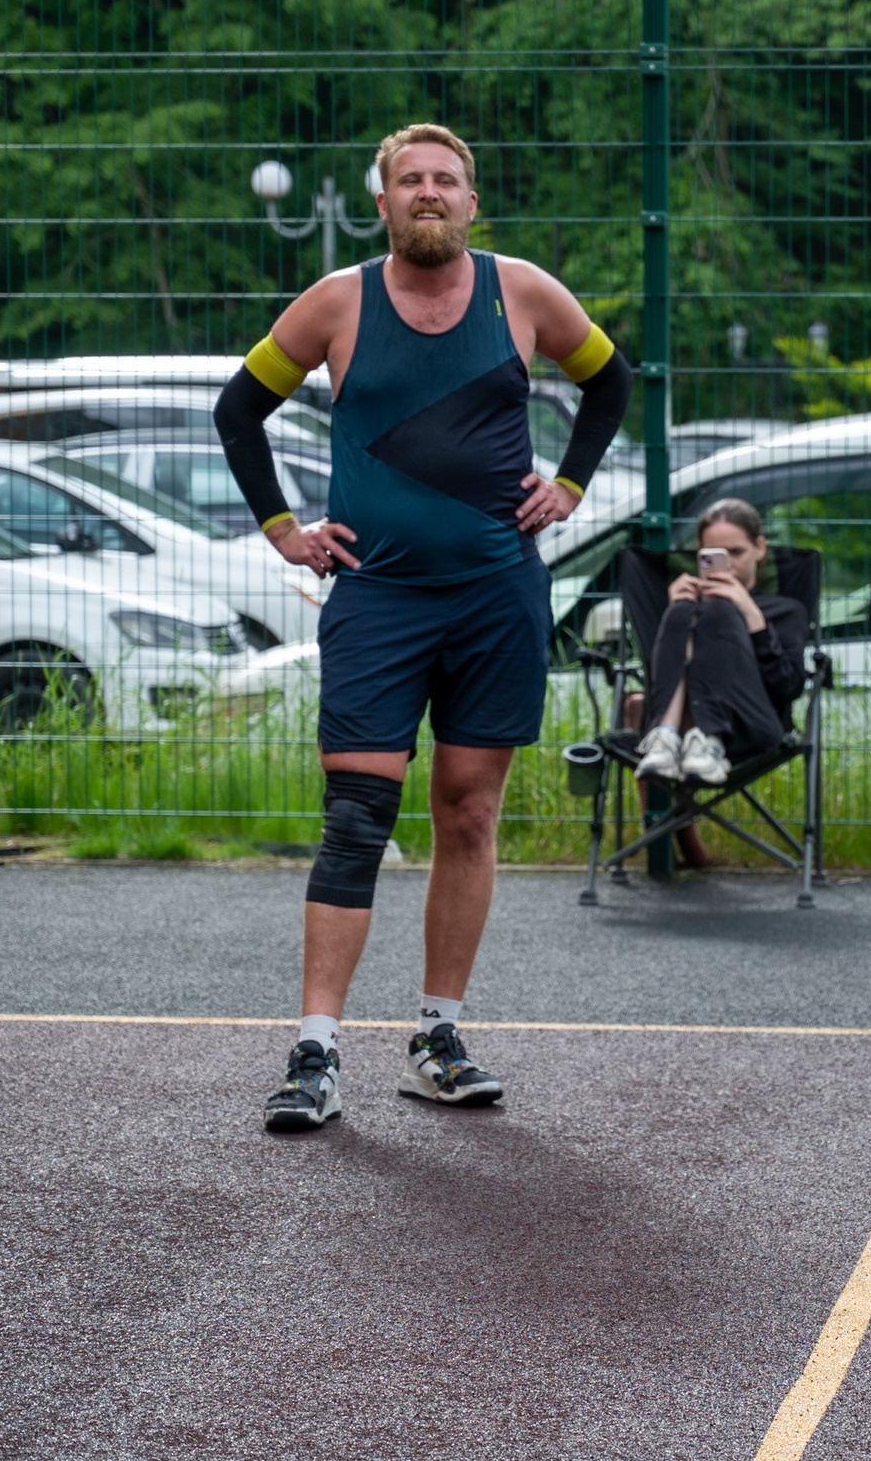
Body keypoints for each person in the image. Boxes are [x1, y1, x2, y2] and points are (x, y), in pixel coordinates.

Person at [213, 122, 633, 1131]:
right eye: (410, 180)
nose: (429, 193)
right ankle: (314, 1054)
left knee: (468, 812)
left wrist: (570, 482)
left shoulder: (521, 293)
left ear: (471, 202)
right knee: (357, 815)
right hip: (380, 599)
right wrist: (282, 529)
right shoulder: (336, 303)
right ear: (384, 202)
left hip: (497, 597)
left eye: (446, 179)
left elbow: (610, 381)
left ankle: (436, 1039)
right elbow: (237, 412)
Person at [636, 499, 808, 789]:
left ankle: (708, 738)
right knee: (685, 612)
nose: (728, 563)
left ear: (760, 547)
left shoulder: (786, 610)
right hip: (676, 735)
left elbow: (788, 687)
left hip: (750, 730)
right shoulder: (684, 604)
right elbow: (658, 682)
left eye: (737, 552)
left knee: (718, 612)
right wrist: (676, 617)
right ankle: (665, 735)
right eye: (713, 555)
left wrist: (750, 614)